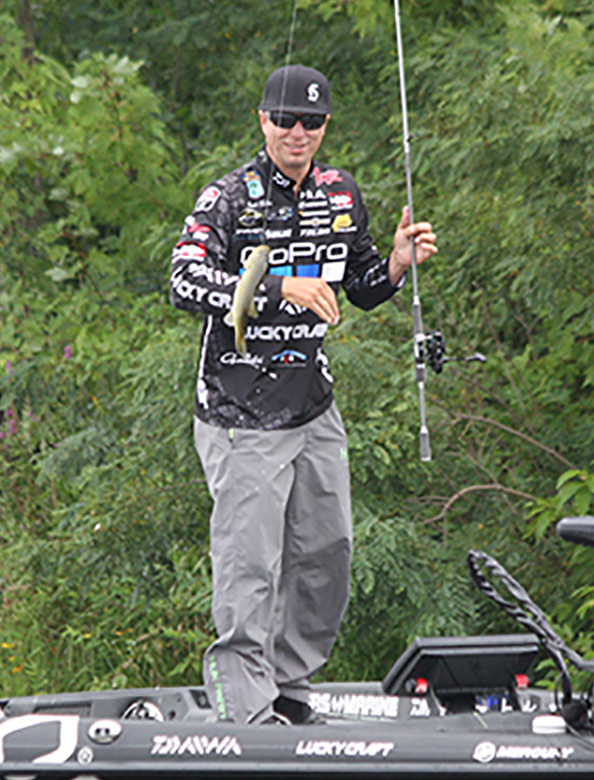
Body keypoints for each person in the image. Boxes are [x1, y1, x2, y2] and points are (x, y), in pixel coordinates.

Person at [168, 64, 438, 725]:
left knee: (327, 552)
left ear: (325, 126)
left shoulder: (341, 194)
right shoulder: (227, 197)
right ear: (263, 120)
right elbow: (182, 280)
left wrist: (398, 263)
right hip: (241, 410)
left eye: (311, 121)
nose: (298, 132)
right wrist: (272, 288)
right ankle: (245, 706)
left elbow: (366, 285)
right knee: (251, 562)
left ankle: (290, 687)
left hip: (313, 403)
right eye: (285, 119)